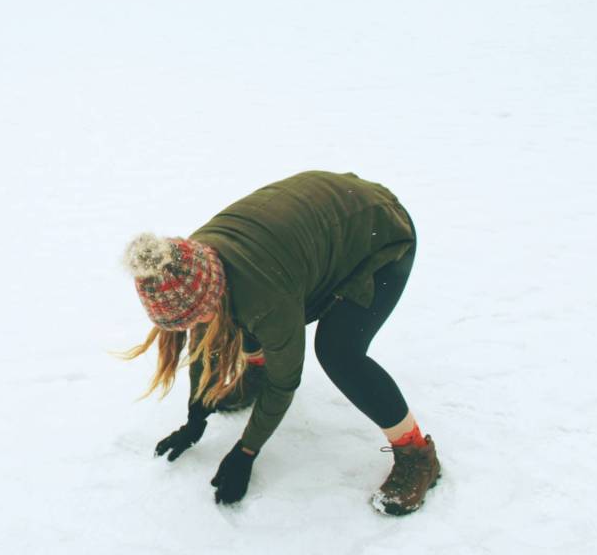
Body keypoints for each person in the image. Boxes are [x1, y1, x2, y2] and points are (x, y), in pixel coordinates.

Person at [121, 170, 441, 515]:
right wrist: (195, 414)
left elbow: (285, 380)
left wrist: (247, 451)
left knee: (339, 351)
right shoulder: (186, 263)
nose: (193, 327)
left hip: (381, 234)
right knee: (230, 316)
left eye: (195, 318)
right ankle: (254, 372)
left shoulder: (263, 295)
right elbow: (203, 335)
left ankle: (416, 453)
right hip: (321, 227)